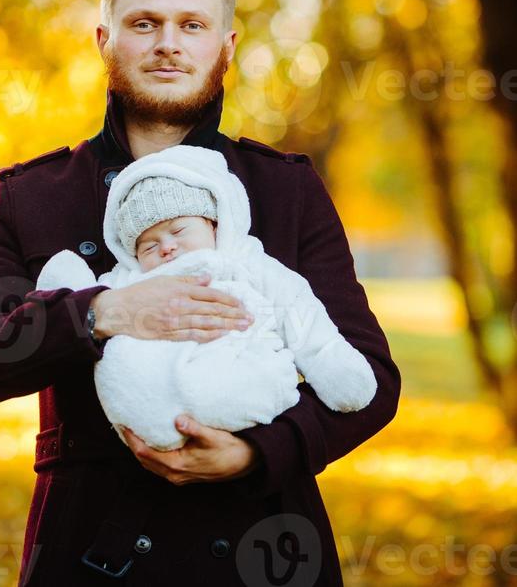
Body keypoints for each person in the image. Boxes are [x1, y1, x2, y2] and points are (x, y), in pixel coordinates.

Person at [0, 0, 401, 587]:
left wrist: (257, 453)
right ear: (104, 40)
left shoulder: (284, 189)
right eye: (143, 23)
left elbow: (370, 379)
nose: (168, 43)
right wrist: (102, 312)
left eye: (191, 24)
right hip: (91, 549)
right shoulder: (34, 196)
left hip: (262, 548)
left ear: (225, 46)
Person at [36, 143, 378, 451]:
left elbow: (299, 312)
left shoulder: (246, 264)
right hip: (148, 406)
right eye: (149, 245)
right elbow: (94, 301)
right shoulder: (131, 280)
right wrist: (85, 299)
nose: (167, 246)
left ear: (214, 225)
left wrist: (329, 360)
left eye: (179, 230)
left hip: (241, 381)